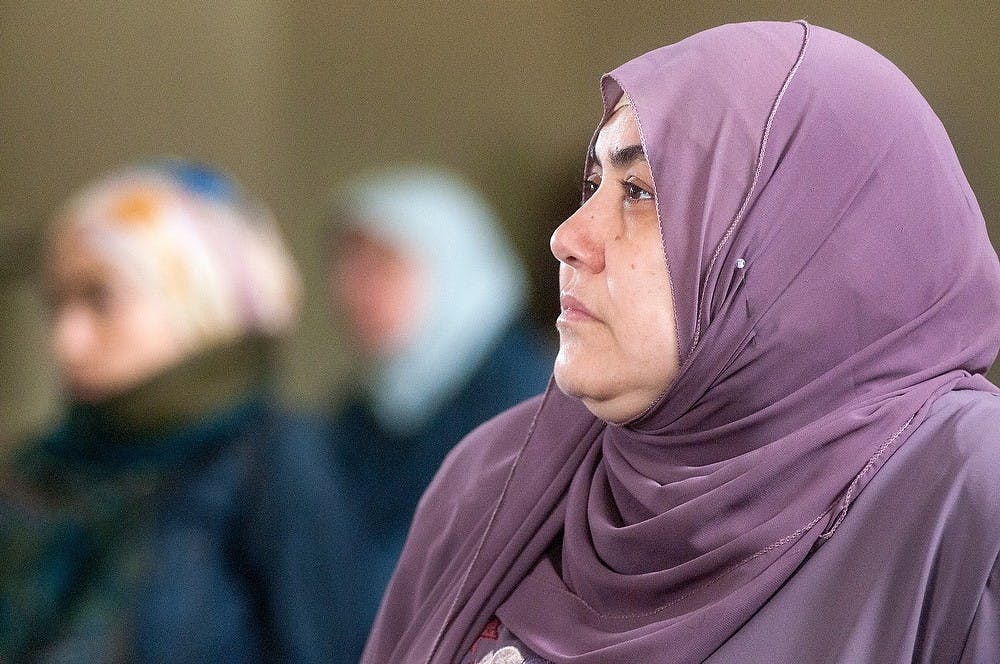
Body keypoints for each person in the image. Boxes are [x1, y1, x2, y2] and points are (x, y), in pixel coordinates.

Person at [361, 21, 1000, 663]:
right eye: (593, 187)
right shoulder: (496, 481)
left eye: (639, 193)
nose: (568, 238)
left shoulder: (965, 494)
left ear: (791, 242)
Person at [0, 159, 366, 662]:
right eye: (56, 304)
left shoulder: (271, 462)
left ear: (200, 303)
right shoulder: (39, 469)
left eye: (100, 300)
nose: (67, 342)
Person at [324, 166, 554, 636]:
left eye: (382, 266)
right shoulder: (364, 411)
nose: (351, 290)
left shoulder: (531, 401)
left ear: (451, 264)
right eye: (347, 266)